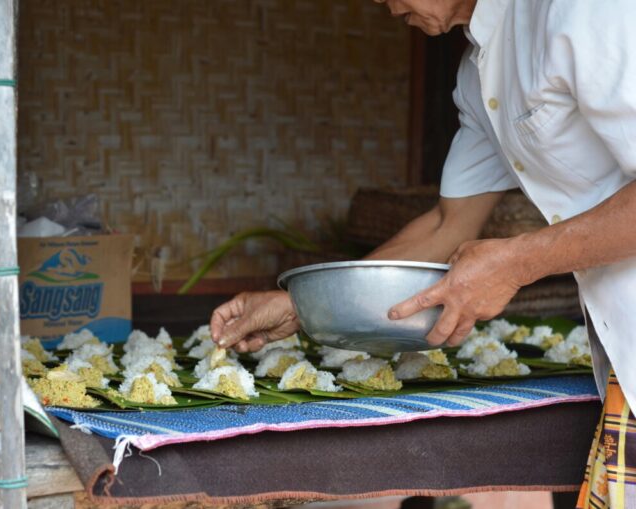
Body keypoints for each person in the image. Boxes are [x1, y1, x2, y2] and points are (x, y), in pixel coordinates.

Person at [209, 0, 636, 507]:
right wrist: (302, 304)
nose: (381, 5)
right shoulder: (480, 73)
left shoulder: (583, 12)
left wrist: (518, 262)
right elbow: (445, 224)